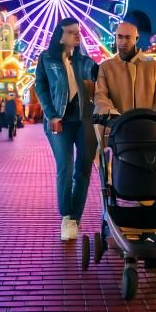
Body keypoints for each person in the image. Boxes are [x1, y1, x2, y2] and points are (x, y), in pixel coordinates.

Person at [35, 17, 99, 241]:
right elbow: (40, 87)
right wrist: (51, 114)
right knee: (65, 166)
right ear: (60, 35)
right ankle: (65, 216)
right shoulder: (47, 58)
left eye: (78, 31)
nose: (76, 35)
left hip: (83, 119)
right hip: (59, 120)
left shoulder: (84, 61)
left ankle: (75, 217)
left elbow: (99, 74)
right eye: (71, 32)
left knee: (83, 168)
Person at [94, 21, 156, 119]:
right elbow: (101, 97)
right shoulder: (106, 67)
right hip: (119, 129)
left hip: (148, 126)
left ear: (136, 39)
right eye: (120, 37)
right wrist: (113, 117)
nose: (124, 41)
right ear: (115, 38)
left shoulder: (152, 65)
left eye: (128, 37)